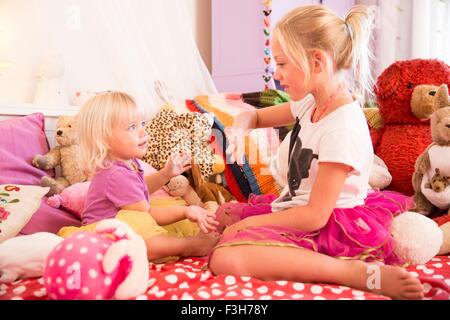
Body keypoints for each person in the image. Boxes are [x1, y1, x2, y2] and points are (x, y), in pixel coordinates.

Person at [209, 5, 424, 299]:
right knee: (224, 222)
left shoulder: (342, 128)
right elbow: (257, 117)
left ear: (317, 61)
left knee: (226, 258)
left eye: (283, 64)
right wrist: (241, 124)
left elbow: (314, 217)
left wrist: (250, 223)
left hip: (329, 223)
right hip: (297, 208)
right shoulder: (311, 102)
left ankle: (350, 272)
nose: (276, 73)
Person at [58, 91, 219, 262]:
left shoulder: (127, 162)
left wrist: (166, 174)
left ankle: (188, 238)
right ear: (104, 139)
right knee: (146, 219)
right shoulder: (115, 173)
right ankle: (188, 246)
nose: (143, 132)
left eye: (142, 123)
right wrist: (186, 211)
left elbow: (140, 190)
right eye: (132, 127)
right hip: (105, 235)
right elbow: (148, 214)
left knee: (159, 210)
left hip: (128, 219)